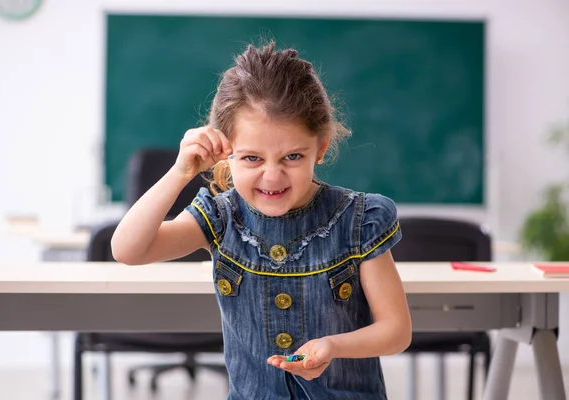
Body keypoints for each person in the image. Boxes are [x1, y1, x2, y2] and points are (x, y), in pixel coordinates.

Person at [111, 41, 412, 400]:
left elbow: (396, 331)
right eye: (252, 158)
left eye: (292, 157)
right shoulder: (221, 216)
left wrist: (332, 346)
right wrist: (180, 172)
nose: (272, 176)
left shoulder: (359, 220)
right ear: (227, 154)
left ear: (322, 147)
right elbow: (128, 250)